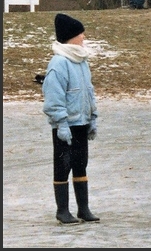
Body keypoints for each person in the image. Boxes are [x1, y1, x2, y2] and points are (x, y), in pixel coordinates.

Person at [42, 14, 100, 225]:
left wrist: (92, 117)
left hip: (81, 123)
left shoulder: (81, 61)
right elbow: (54, 98)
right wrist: (61, 124)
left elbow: (88, 91)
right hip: (65, 126)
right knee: (63, 165)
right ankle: (63, 210)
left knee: (80, 164)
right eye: (80, 33)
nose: (83, 36)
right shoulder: (59, 63)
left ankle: (83, 208)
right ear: (70, 36)